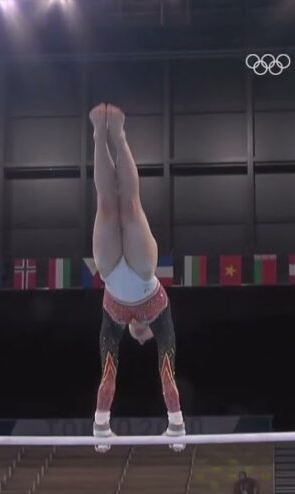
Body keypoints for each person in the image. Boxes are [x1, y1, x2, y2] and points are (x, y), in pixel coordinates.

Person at [87, 102, 186, 450]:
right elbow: (166, 368)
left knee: (106, 203)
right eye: (146, 338)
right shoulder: (159, 317)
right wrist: (176, 423)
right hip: (143, 272)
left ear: (132, 330)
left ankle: (102, 135)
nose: (143, 339)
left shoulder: (114, 321)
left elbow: (107, 373)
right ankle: (119, 135)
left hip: (111, 271)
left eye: (138, 337)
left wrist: (101, 424)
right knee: (129, 204)